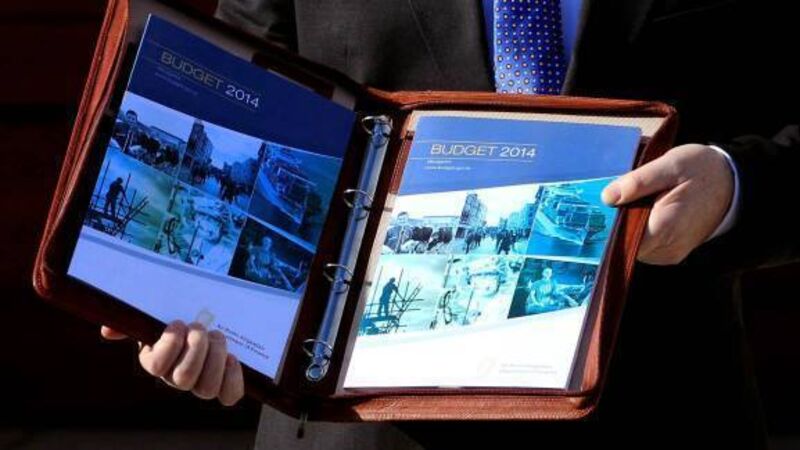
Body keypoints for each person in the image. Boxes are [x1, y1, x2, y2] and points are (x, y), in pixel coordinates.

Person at [101, 1, 800, 449]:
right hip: (369, 430)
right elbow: (245, 103)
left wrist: (734, 186)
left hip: (662, 408)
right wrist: (194, 307)